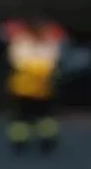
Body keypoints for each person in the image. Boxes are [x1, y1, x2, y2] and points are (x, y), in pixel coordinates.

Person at [5, 17, 62, 154]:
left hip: (28, 89)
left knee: (28, 119)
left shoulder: (24, 43)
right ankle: (36, 143)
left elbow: (18, 62)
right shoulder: (34, 43)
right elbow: (51, 63)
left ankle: (28, 143)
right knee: (32, 119)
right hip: (33, 89)